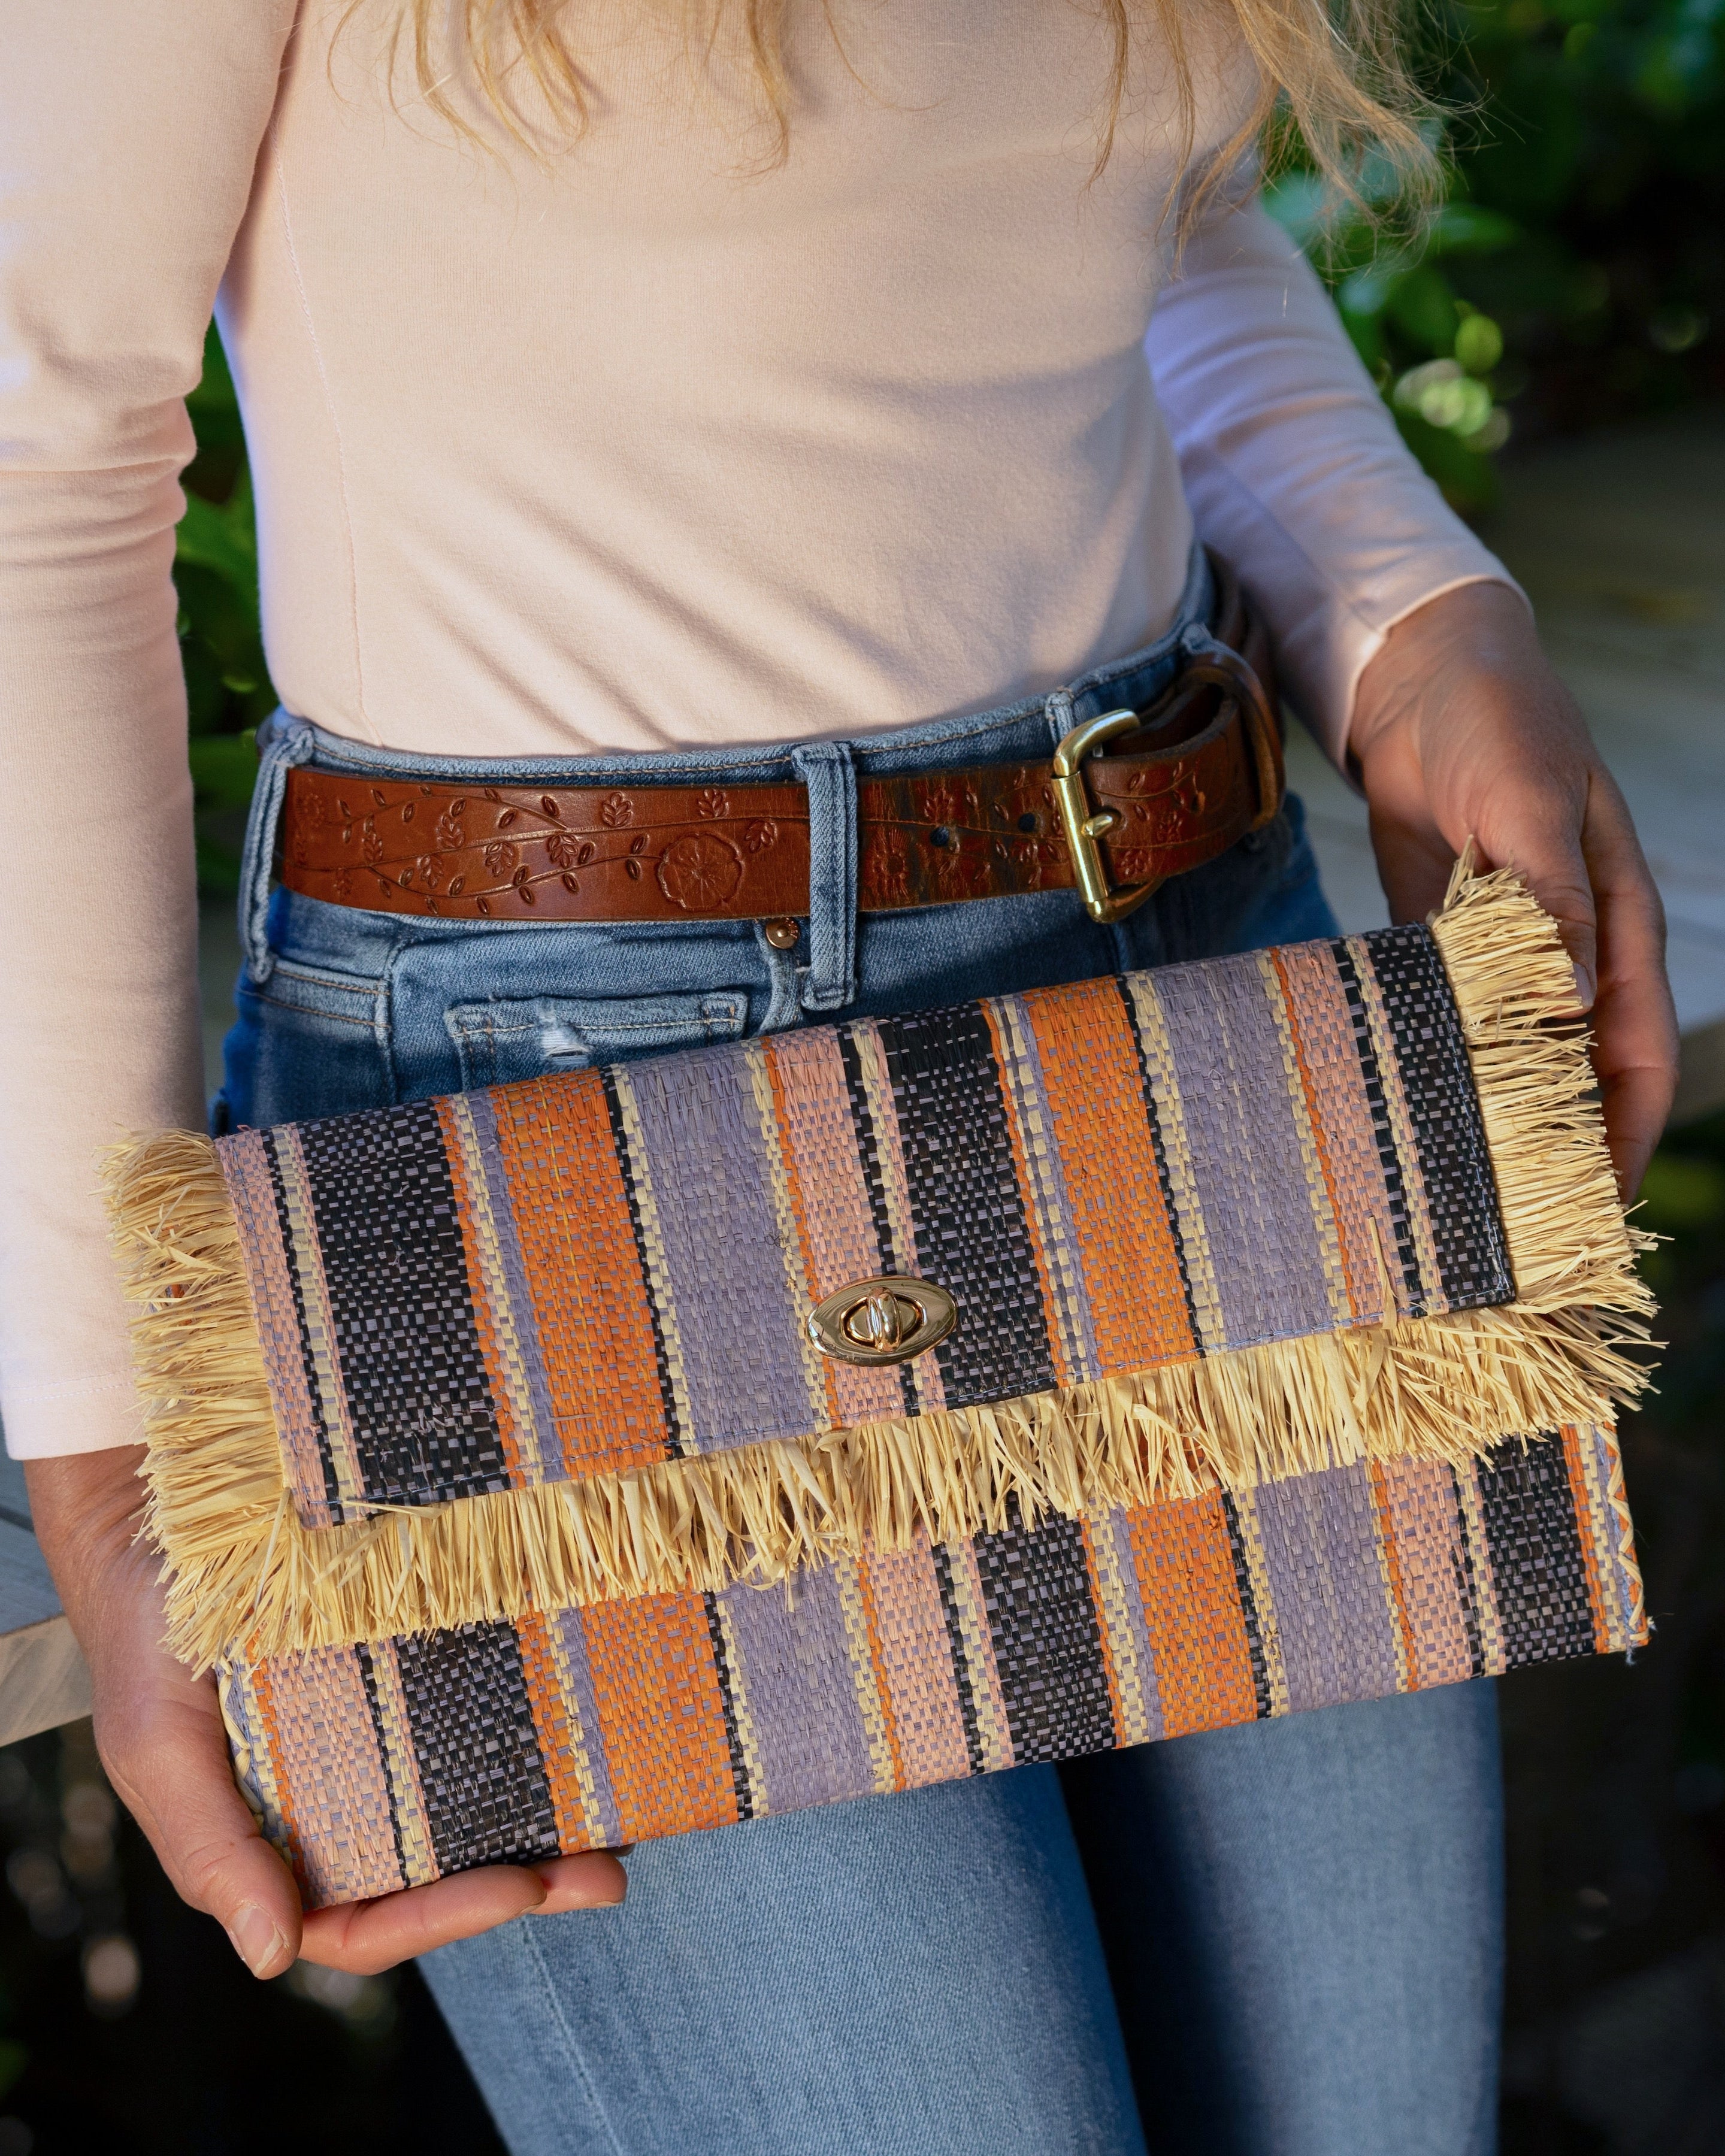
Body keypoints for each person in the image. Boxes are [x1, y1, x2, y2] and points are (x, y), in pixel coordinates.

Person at [1, 4, 1677, 2151]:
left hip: (1205, 1000)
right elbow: (41, 460)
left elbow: (1128, 189)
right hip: (559, 1145)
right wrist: (110, 1456)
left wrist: (1418, 618)